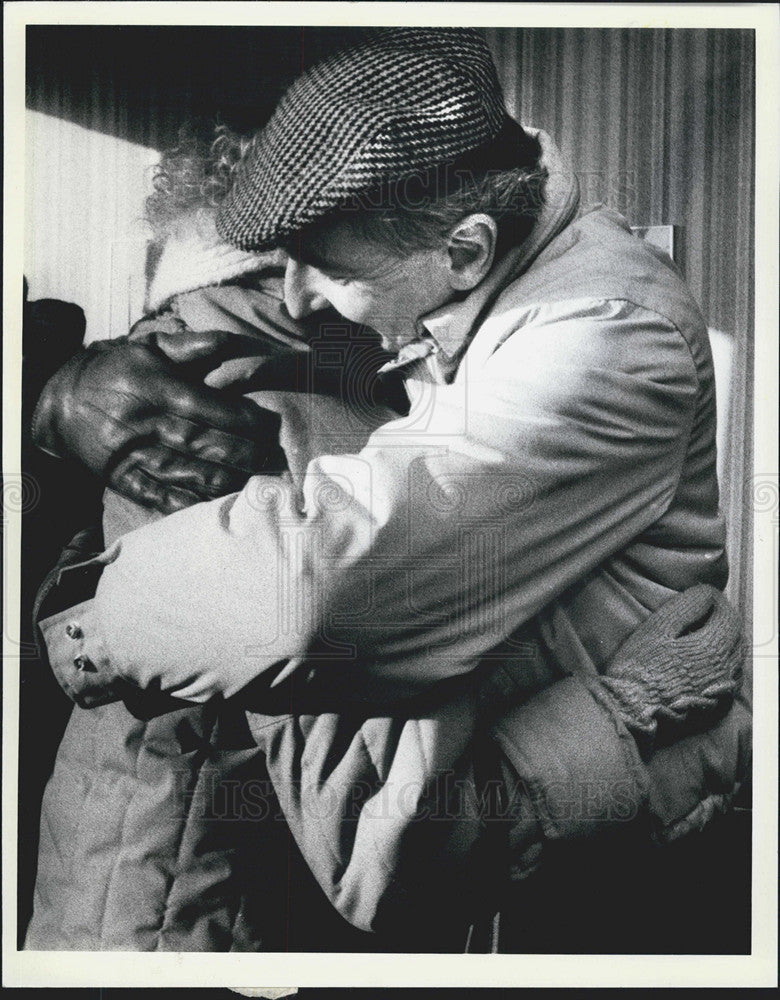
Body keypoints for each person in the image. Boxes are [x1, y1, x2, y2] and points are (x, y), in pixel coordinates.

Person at [28, 28, 750, 951]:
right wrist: (626, 736)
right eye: (274, 267)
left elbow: (316, 594)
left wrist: (82, 618)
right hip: (172, 905)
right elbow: (382, 843)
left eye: (322, 269)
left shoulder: (596, 334)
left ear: (464, 251)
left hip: (194, 899)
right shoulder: (305, 367)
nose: (295, 302)